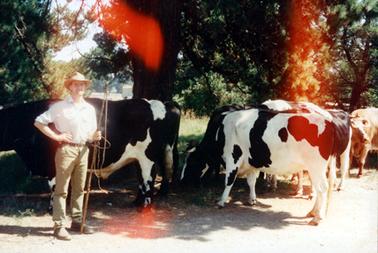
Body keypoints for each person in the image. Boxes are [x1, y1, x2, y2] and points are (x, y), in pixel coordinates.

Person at [34, 72, 101, 240]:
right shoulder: (60, 107)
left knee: (79, 189)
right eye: (76, 84)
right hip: (66, 151)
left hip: (84, 150)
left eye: (82, 84)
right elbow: (39, 122)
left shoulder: (90, 109)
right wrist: (57, 137)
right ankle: (59, 226)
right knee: (62, 190)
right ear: (70, 87)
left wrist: (95, 137)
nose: (80, 87)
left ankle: (77, 221)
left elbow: (91, 134)